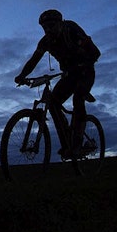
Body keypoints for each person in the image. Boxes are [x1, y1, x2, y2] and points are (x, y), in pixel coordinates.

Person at [14, 9, 101, 157]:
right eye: (44, 27)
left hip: (85, 72)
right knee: (53, 104)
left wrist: (84, 62)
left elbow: (95, 52)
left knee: (78, 97)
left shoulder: (71, 29)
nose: (48, 30)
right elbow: (33, 61)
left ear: (60, 23)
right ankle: (67, 142)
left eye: (52, 26)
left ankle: (77, 143)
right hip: (69, 75)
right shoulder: (45, 41)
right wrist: (22, 75)